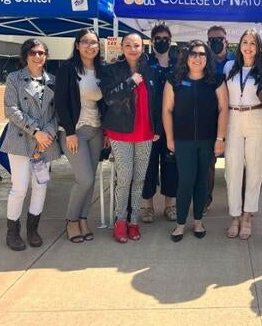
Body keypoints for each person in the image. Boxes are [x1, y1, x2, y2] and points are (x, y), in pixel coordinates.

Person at [163, 40, 228, 241]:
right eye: (193, 54)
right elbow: (167, 110)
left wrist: (220, 138)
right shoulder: (174, 80)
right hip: (183, 141)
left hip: (208, 140)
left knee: (201, 181)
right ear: (186, 57)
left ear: (207, 58)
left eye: (202, 54)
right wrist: (170, 138)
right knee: (186, 181)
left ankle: (198, 222)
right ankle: (180, 224)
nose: (197, 58)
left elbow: (224, 109)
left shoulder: (216, 80)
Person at [1, 38, 60, 251]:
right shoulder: (14, 79)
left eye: (41, 53)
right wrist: (36, 131)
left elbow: (57, 113)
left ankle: (33, 230)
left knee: (41, 186)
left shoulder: (53, 80)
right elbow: (11, 109)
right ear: (25, 55)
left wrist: (48, 134)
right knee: (19, 188)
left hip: (44, 144)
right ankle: (12, 231)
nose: (38, 56)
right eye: (33, 52)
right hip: (20, 140)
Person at [100, 32, 159, 243]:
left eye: (137, 45)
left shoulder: (150, 71)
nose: (133, 49)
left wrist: (157, 128)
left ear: (142, 48)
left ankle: (134, 220)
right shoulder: (112, 70)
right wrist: (131, 82)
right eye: (128, 45)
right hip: (120, 132)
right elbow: (109, 98)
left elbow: (156, 102)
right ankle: (120, 220)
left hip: (145, 133)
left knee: (139, 179)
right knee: (124, 179)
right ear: (122, 48)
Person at [56, 29, 106, 243]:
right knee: (84, 179)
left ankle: (84, 219)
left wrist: (108, 131)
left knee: (91, 178)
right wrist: (69, 132)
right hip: (74, 131)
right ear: (77, 45)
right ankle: (71, 221)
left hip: (97, 130)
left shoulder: (103, 69)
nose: (89, 46)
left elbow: (106, 102)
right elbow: (61, 103)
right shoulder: (67, 69)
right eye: (85, 42)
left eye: (94, 42)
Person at [223, 29, 262, 240]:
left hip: (256, 118)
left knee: (254, 168)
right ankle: (234, 216)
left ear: (258, 48)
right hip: (232, 118)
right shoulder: (229, 67)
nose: (248, 46)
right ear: (239, 45)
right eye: (244, 42)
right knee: (232, 169)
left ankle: (247, 215)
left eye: (252, 43)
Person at [140, 23, 179, 223]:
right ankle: (147, 206)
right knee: (149, 165)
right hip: (150, 125)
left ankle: (170, 205)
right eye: (158, 39)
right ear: (152, 42)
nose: (162, 42)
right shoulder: (145, 64)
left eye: (165, 39)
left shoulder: (178, 65)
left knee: (171, 165)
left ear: (170, 41)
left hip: (172, 125)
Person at [205, 25, 235, 211]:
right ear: (208, 42)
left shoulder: (237, 61)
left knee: (237, 163)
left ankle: (238, 205)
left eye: (220, 39)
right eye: (212, 39)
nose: (216, 42)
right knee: (208, 164)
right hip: (209, 118)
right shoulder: (202, 62)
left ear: (226, 41)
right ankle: (204, 203)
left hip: (234, 117)